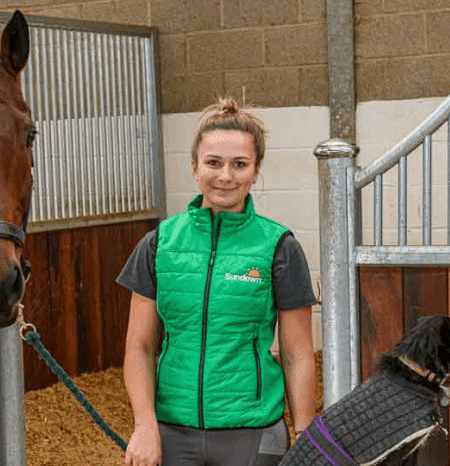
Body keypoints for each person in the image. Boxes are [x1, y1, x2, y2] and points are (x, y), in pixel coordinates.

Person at [118, 98, 317, 466]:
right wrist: (145, 426)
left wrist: (306, 434)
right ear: (194, 166)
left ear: (255, 170)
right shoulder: (159, 243)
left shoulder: (280, 247)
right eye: (214, 163)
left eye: (239, 164)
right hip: (172, 432)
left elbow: (298, 354)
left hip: (253, 431)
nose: (226, 176)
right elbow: (139, 347)